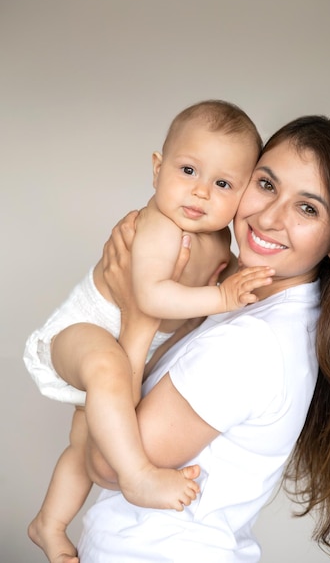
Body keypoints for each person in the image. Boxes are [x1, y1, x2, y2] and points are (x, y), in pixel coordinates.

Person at [77, 115, 330, 563]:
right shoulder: (262, 305)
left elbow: (107, 465)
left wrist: (138, 319)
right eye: (267, 184)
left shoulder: (252, 346)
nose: (269, 217)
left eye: (308, 209)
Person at [24, 100, 275, 563]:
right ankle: (137, 475)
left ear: (241, 197)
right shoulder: (160, 225)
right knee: (106, 368)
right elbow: (152, 298)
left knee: (88, 442)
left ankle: (50, 523)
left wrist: (243, 279)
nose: (201, 193)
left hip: (131, 346)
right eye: (188, 170)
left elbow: (216, 277)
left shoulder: (218, 236)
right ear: (157, 170)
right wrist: (222, 297)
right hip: (88, 326)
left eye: (222, 184)